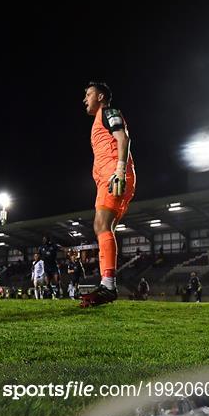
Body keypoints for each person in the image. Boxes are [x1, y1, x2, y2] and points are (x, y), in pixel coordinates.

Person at [80, 82, 136, 308]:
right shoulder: (98, 119)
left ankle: (109, 286)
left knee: (102, 226)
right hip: (105, 179)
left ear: (101, 96)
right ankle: (107, 284)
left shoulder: (108, 111)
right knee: (103, 227)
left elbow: (123, 138)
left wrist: (120, 170)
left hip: (115, 175)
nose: (85, 99)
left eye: (88, 94)